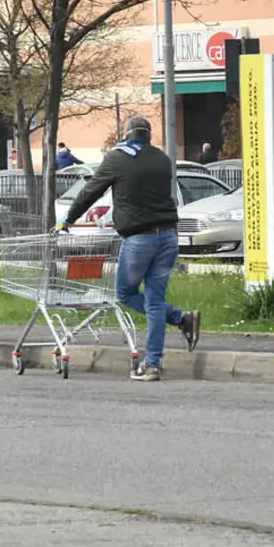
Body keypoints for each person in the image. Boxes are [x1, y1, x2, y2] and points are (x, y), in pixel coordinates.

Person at [60, 114, 200, 382]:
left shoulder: (117, 158)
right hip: (169, 235)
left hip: (139, 239)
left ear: (126, 134)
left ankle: (178, 323)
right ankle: (156, 359)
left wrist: (67, 219)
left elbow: (91, 191)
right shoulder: (162, 159)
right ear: (148, 135)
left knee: (125, 294)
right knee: (155, 300)